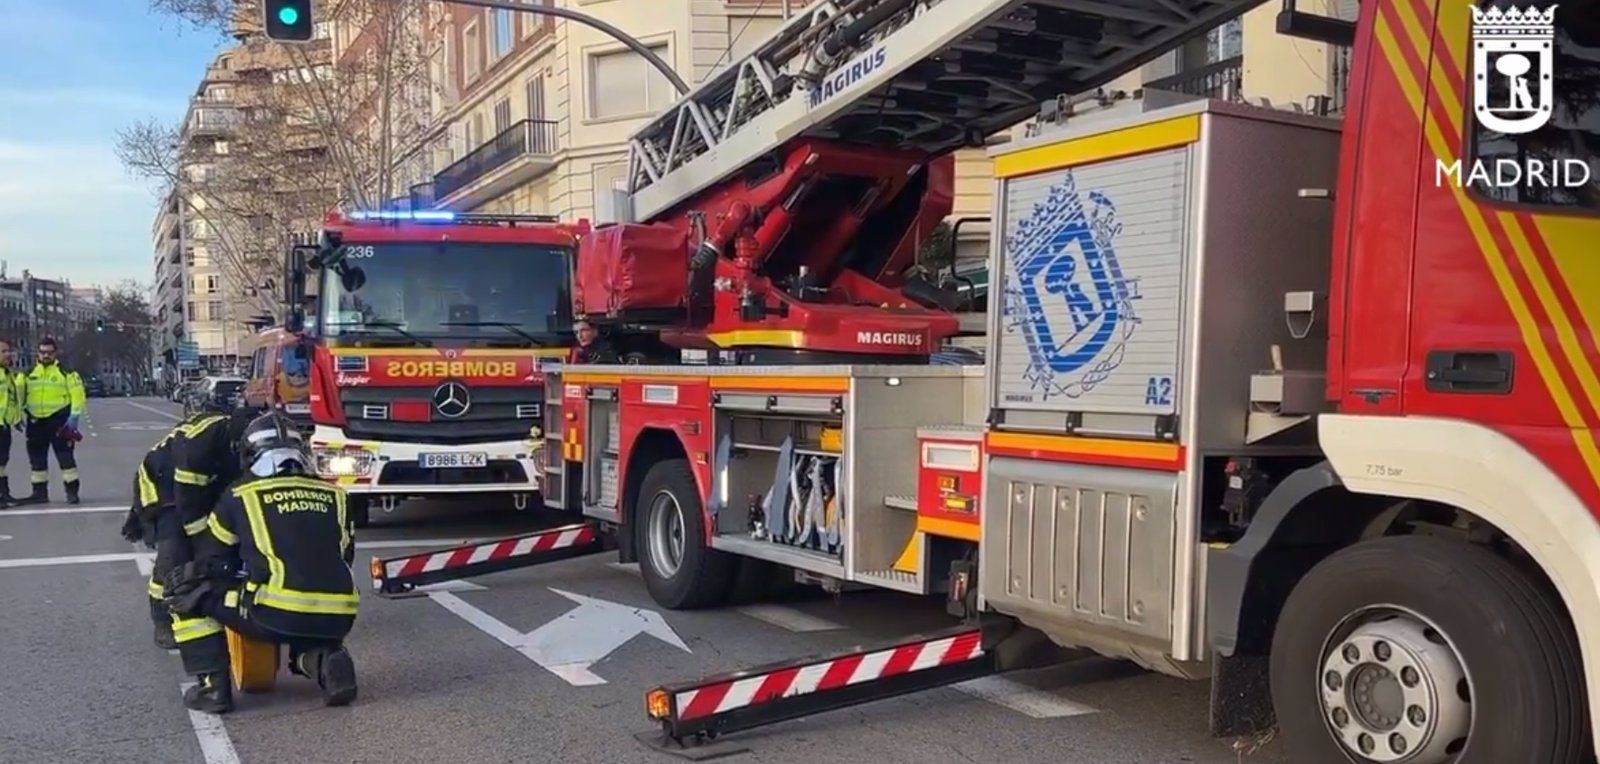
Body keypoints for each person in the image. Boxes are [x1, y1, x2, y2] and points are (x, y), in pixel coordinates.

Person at [163, 411, 359, 714]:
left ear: (249, 455)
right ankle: (324, 661)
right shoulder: (337, 495)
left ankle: (212, 687)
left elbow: (211, 560)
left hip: (273, 612)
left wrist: (239, 572)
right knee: (305, 618)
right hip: (339, 614)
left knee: (187, 590)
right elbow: (344, 556)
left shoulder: (239, 495)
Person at [122, 400, 255, 649]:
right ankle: (163, 621)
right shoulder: (200, 445)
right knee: (175, 550)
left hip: (207, 483)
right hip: (163, 484)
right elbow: (189, 504)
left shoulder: (251, 445)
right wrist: (205, 545)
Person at [16, 338, 86, 505]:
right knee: (37, 460)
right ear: (38, 353)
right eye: (43, 352)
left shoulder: (66, 372)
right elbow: (18, 395)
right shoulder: (28, 373)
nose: (46, 355)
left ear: (55, 353)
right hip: (36, 422)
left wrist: (74, 415)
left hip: (59, 421)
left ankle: (72, 492)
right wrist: (18, 415)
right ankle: (39, 493)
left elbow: (78, 394)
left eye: (49, 352)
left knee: (66, 459)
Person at [0, 339, 23, 507]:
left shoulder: (7, 373)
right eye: (3, 352)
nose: (8, 354)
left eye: (9, 351)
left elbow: (11, 400)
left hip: (4, 424)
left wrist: (16, 419)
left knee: (2, 461)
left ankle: (3, 494)